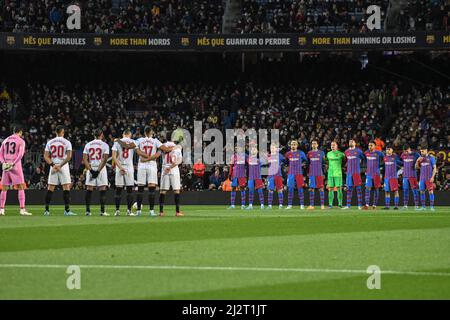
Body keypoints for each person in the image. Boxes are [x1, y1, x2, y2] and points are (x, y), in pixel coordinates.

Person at [0, 125, 32, 216]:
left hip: (6, 166)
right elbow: (20, 154)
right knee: (21, 187)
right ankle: (22, 210)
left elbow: (0, 153)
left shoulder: (5, 140)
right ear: (20, 132)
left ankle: (1, 210)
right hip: (15, 166)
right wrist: (13, 163)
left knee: (4, 188)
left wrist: (4, 163)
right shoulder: (21, 141)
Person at [43, 125, 75, 216]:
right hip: (63, 165)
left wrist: (53, 165)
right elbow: (69, 157)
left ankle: (47, 210)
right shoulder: (67, 142)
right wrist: (60, 165)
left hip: (53, 165)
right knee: (66, 187)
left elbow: (45, 156)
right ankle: (67, 210)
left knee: (50, 188)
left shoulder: (50, 142)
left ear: (55, 132)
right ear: (63, 132)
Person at [83, 129, 110, 216]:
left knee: (89, 190)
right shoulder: (105, 145)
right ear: (101, 135)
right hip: (101, 168)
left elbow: (84, 159)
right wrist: (98, 171)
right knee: (102, 189)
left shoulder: (88, 144)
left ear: (94, 135)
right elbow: (105, 159)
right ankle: (102, 211)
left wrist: (90, 170)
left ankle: (87, 211)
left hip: (91, 167)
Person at [112, 129, 136, 216]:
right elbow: (134, 149)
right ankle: (129, 211)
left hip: (119, 165)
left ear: (123, 134)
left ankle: (117, 210)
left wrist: (120, 167)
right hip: (129, 166)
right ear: (130, 135)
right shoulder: (133, 141)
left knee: (118, 190)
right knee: (129, 190)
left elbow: (114, 157)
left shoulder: (117, 142)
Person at [159, 134, 183, 217]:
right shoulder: (177, 147)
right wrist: (171, 167)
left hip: (165, 169)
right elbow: (179, 160)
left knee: (163, 191)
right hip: (174, 169)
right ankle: (177, 212)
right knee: (176, 190)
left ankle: (161, 212)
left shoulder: (163, 146)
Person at [343, 139, 365, 210]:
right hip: (349, 173)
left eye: (352, 141)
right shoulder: (346, 152)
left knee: (358, 189)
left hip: (356, 173)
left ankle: (359, 205)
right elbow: (345, 161)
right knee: (349, 189)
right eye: (349, 141)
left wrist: (360, 162)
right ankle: (348, 205)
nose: (351, 142)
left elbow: (363, 158)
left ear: (355, 143)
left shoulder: (359, 151)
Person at [284, 140, 307, 210]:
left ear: (297, 145)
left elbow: (306, 161)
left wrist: (303, 165)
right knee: (290, 189)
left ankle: (302, 205)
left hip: (299, 173)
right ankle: (289, 205)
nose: (293, 145)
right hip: (291, 173)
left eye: (294, 144)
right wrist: (286, 167)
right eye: (292, 144)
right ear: (290, 145)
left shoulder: (301, 153)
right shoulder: (287, 154)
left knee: (300, 189)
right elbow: (286, 162)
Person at [363, 141, 384, 210]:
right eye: (369, 145)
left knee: (376, 189)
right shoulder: (366, 152)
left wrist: (381, 167)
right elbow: (364, 160)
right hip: (369, 174)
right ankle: (366, 204)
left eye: (371, 145)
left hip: (376, 174)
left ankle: (374, 204)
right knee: (367, 188)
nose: (369, 147)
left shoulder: (379, 153)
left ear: (375, 146)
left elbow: (385, 159)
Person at [415, 146, 437, 211]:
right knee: (422, 192)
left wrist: (432, 177)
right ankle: (423, 207)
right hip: (422, 178)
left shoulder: (431, 158)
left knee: (430, 191)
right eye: (421, 151)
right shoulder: (420, 158)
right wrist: (417, 161)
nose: (421, 152)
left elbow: (434, 168)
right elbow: (416, 168)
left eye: (423, 151)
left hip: (429, 178)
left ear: (426, 150)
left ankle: (432, 207)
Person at [307, 140, 326, 210]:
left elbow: (324, 163)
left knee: (321, 188)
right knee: (311, 188)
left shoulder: (321, 153)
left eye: (315, 143)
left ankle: (322, 205)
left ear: (317, 145)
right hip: (312, 173)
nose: (313, 145)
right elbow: (308, 163)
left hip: (319, 173)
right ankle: (312, 205)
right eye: (312, 143)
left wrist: (323, 173)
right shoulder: (309, 153)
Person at [400, 144, 420, 209]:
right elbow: (402, 163)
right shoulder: (403, 155)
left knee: (414, 190)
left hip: (413, 175)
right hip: (405, 176)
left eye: (407, 151)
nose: (406, 153)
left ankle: (416, 205)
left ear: (409, 149)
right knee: (405, 190)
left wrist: (417, 164)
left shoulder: (416, 154)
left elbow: (421, 159)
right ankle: (405, 205)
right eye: (404, 151)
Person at [326, 141, 345, 208]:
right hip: (330, 173)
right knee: (330, 189)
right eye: (331, 145)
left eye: (334, 145)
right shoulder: (328, 154)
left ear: (337, 146)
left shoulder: (341, 154)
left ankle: (340, 204)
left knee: (339, 188)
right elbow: (327, 162)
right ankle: (330, 204)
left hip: (338, 173)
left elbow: (345, 161)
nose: (332, 146)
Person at [266, 143, 285, 209]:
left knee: (280, 190)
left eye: (273, 148)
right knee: (270, 190)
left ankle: (280, 205)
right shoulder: (268, 156)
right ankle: (269, 205)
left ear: (276, 149)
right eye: (271, 148)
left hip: (278, 175)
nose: (272, 149)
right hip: (271, 176)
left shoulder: (279, 155)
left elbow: (285, 161)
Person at [246, 144, 265, 210]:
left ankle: (262, 205)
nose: (253, 151)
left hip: (258, 177)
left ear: (257, 151)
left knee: (260, 191)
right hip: (251, 178)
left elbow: (266, 161)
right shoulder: (248, 159)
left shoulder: (260, 160)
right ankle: (250, 205)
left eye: (255, 149)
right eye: (252, 150)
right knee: (251, 191)